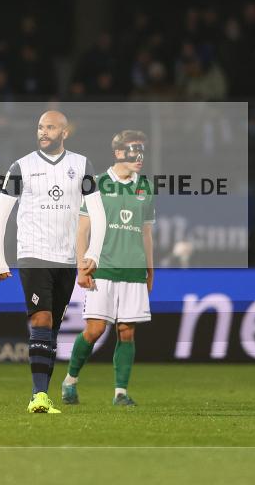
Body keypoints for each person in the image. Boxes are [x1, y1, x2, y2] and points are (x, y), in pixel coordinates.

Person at [0, 110, 106, 413]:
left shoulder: (81, 165)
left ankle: (42, 394)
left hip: (66, 259)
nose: (44, 132)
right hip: (33, 253)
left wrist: (92, 253)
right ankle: (38, 396)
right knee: (40, 319)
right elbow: (0, 215)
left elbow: (98, 212)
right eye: (41, 127)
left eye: (51, 127)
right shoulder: (22, 166)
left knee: (50, 330)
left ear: (65, 133)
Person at [62, 130, 155, 407]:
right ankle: (70, 381)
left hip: (133, 270)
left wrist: (150, 270)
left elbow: (146, 233)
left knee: (127, 331)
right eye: (133, 150)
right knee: (95, 330)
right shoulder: (98, 184)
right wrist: (81, 267)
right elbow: (82, 231)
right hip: (102, 269)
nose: (139, 156)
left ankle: (120, 393)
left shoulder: (145, 187)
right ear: (118, 153)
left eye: (142, 150)